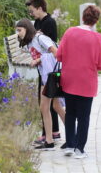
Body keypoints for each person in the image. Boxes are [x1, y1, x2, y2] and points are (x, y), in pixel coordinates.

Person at [56, 5, 101, 158]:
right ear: (96, 20)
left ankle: (69, 145)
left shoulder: (70, 32)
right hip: (86, 82)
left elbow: (59, 55)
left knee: (70, 113)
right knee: (84, 116)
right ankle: (79, 149)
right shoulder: (97, 38)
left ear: (83, 17)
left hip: (69, 79)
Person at [16, 18, 65, 150]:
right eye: (17, 31)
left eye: (20, 30)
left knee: (45, 107)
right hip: (47, 76)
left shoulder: (40, 38)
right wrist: (38, 61)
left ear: (27, 28)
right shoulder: (29, 42)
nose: (18, 33)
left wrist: (38, 59)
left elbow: (56, 53)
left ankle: (51, 140)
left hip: (51, 76)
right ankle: (68, 136)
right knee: (56, 106)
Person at [25, 0, 64, 147]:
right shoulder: (38, 22)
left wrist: (37, 60)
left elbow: (51, 50)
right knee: (50, 103)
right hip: (43, 68)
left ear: (40, 8)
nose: (31, 14)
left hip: (50, 69)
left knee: (50, 103)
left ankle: (51, 135)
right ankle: (52, 133)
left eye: (32, 10)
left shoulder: (50, 23)